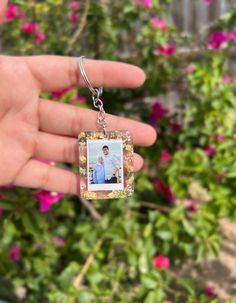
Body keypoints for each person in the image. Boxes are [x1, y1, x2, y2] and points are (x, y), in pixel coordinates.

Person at [0, 1, 157, 195]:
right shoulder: (99, 160)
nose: (105, 153)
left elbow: (116, 165)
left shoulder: (113, 158)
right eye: (105, 151)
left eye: (106, 151)